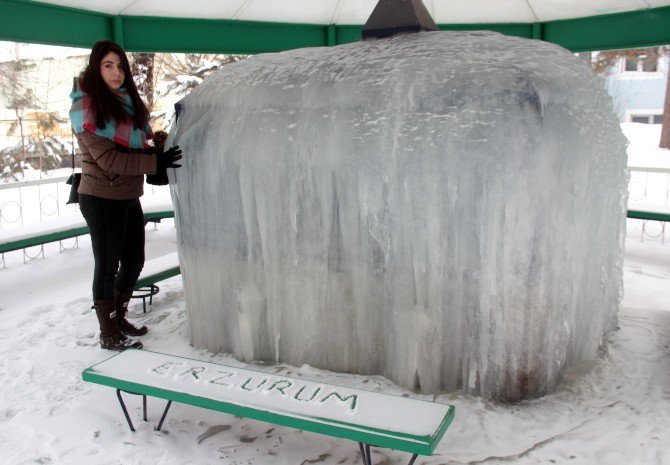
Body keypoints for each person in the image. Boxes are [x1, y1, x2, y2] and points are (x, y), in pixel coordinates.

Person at [69, 40, 182, 351]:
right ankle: (108, 332)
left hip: (128, 194)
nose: (116, 72)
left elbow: (132, 148)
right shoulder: (87, 109)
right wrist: (154, 161)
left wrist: (156, 147)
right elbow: (110, 160)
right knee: (106, 264)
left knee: (134, 261)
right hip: (100, 197)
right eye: (108, 65)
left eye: (120, 66)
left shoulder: (126, 103)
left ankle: (118, 316)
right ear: (96, 68)